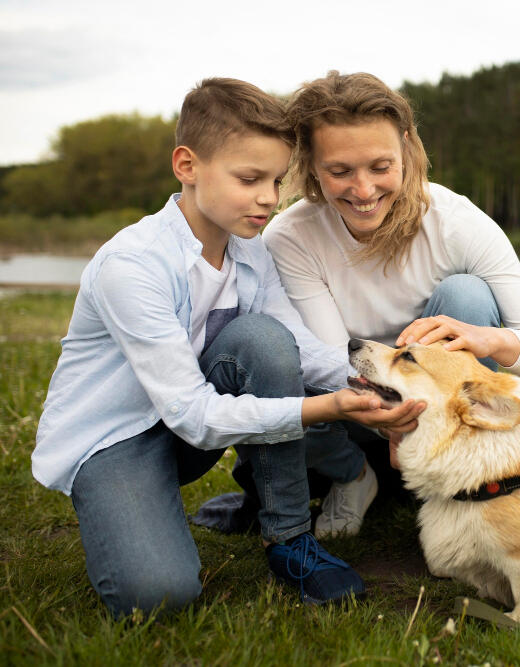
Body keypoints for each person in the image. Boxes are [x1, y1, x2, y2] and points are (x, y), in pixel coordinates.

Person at [31, 78, 423, 617]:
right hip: (115, 439)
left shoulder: (249, 251)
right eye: (249, 178)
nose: (269, 198)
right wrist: (325, 407)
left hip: (185, 434)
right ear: (187, 166)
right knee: (158, 596)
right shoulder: (134, 265)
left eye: (278, 180)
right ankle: (131, 503)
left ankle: (288, 539)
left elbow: (301, 349)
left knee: (263, 339)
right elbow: (191, 412)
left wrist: (390, 387)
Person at [262, 71, 520, 539]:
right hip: (351, 409)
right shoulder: (290, 236)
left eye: (380, 166)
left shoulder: (456, 222)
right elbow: (330, 359)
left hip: (443, 413)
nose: (363, 191)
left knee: (466, 294)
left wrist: (484, 337)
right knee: (272, 349)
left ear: (407, 149)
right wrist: (394, 422)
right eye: (340, 171)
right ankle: (353, 476)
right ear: (310, 165)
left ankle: (460, 478)